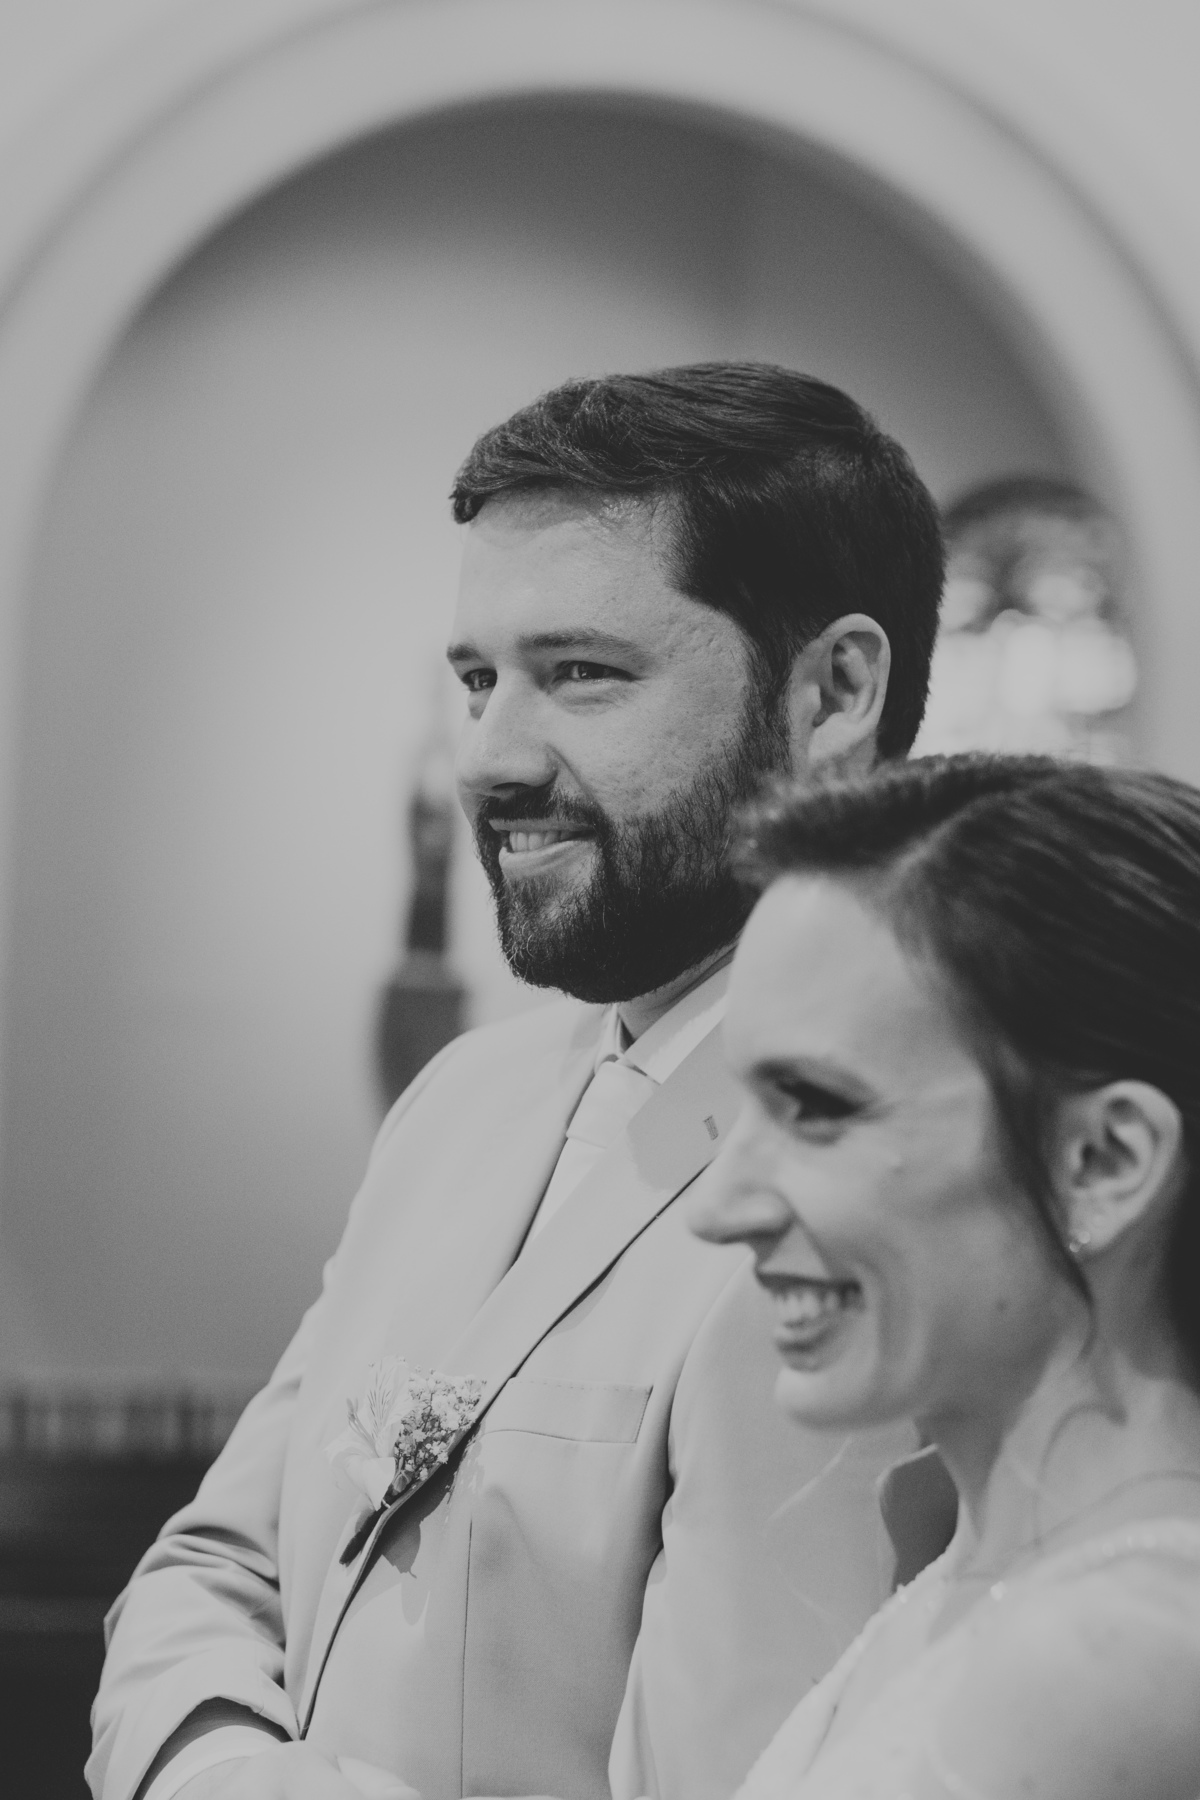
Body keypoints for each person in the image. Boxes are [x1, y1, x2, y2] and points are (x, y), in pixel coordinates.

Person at [88, 364, 948, 1800]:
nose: (488, 760)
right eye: (478, 681)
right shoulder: (461, 1104)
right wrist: (213, 1767)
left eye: (582, 673)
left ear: (835, 691)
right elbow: (215, 1562)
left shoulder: (881, 1179)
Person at [689, 753, 1200, 1800]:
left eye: (815, 1107)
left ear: (1102, 1161)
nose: (719, 1205)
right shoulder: (995, 1576)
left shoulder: (1104, 1658)